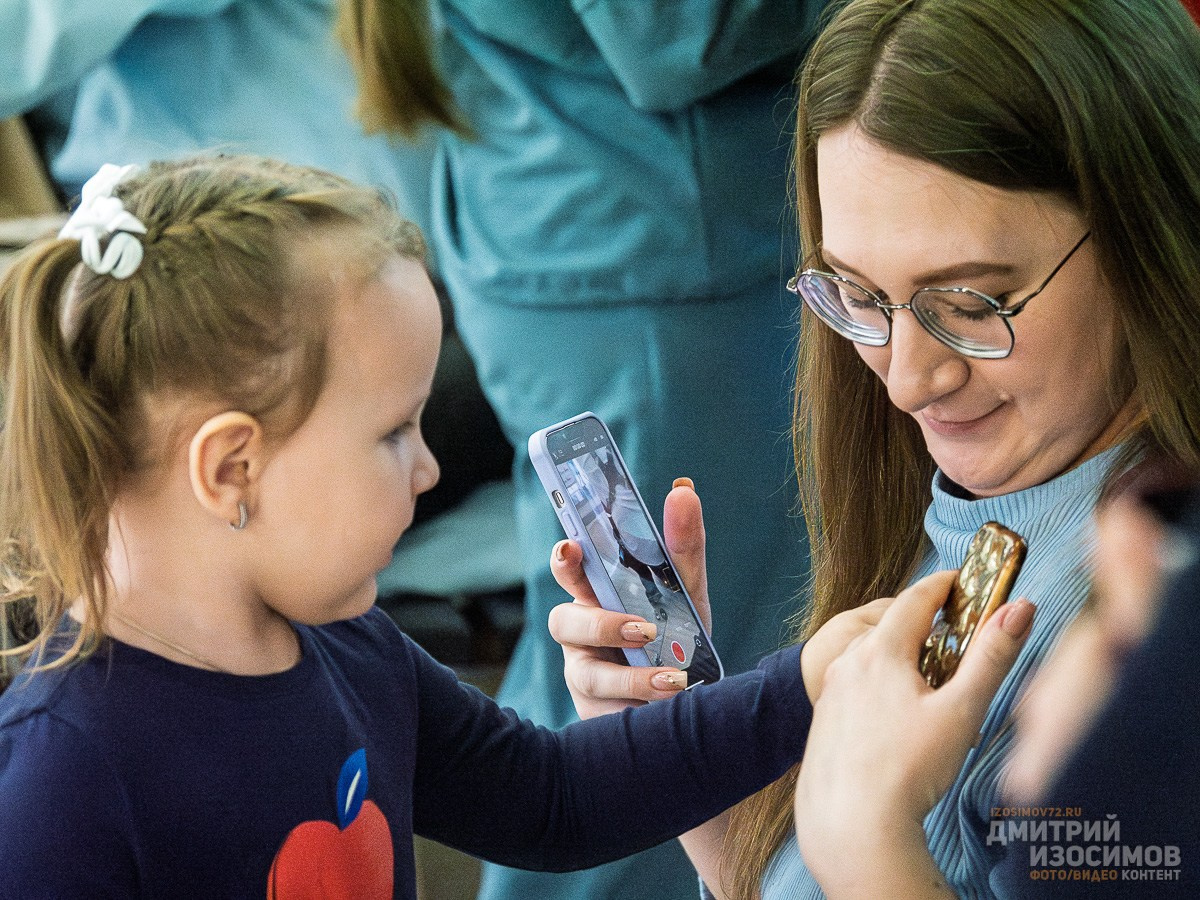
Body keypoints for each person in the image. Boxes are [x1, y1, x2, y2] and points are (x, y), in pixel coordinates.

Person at [0, 154, 821, 898]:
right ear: (231, 469)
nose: (429, 469)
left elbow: (553, 800)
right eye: (395, 433)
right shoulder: (60, 779)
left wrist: (816, 682)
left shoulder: (354, 647)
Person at [547, 0, 1200, 897]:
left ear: (1148, 230)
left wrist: (870, 846)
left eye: (971, 305)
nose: (903, 381)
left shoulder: (1155, 632)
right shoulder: (965, 505)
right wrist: (698, 770)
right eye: (856, 296)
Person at [339, 2, 830, 896]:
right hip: (638, 243)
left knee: (634, 658)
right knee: (658, 677)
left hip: (588, 215)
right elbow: (674, 36)